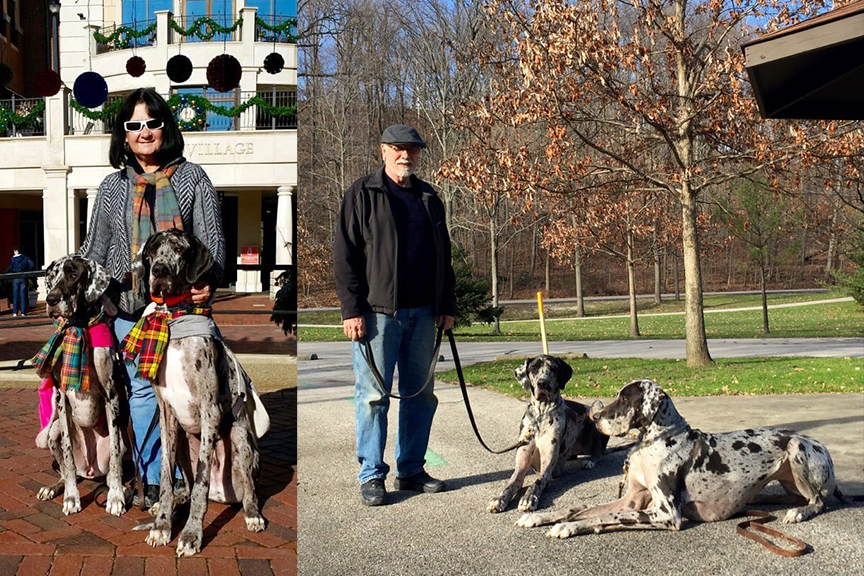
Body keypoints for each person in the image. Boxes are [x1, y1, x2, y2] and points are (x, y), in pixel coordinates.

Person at [79, 88, 225, 507]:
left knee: (192, 393)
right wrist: (78, 286)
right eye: (134, 125)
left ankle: (200, 472)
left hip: (183, 310)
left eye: (152, 123)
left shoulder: (193, 178)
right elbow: (95, 251)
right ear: (123, 135)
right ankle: (156, 478)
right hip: (130, 310)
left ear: (165, 128)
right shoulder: (111, 188)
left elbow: (212, 242)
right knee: (144, 393)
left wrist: (208, 279)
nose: (144, 132)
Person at [333, 124, 457, 506]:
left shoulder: (429, 197)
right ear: (383, 150)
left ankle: (411, 469)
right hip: (376, 315)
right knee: (372, 397)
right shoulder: (362, 194)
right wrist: (352, 310)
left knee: (422, 395)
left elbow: (444, 256)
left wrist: (447, 306)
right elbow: (345, 256)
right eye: (399, 149)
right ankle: (372, 474)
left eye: (413, 150)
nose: (407, 155)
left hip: (424, 313)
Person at [5, 246, 35, 317]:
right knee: (23, 295)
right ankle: (23, 312)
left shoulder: (13, 259)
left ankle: (15, 312)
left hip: (15, 277)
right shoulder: (25, 258)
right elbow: (32, 265)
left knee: (15, 295)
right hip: (23, 277)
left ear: (15, 251)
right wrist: (27, 271)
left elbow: (10, 268)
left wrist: (7, 273)